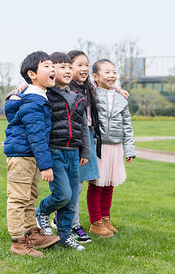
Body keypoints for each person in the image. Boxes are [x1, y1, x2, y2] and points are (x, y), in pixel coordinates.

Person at [51, 50, 130, 243]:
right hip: (70, 140)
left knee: (82, 184)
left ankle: (75, 222)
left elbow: (104, 85)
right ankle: (69, 223)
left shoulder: (87, 87)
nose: (83, 68)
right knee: (76, 186)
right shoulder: (63, 87)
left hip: (87, 138)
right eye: (78, 65)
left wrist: (118, 89)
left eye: (86, 64)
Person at [4, 51, 60, 257]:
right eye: (47, 66)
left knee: (30, 197)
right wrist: (46, 165)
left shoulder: (37, 95)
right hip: (22, 156)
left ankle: (31, 233)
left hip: (30, 156)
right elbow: (36, 135)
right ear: (32, 74)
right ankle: (18, 243)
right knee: (18, 199)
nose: (53, 69)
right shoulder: (33, 102)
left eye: (53, 65)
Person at [36, 51, 91, 251]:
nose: (67, 71)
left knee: (72, 200)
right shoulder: (45, 94)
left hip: (74, 153)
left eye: (69, 67)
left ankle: (64, 236)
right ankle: (42, 211)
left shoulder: (78, 96)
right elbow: (27, 92)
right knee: (63, 195)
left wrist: (85, 151)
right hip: (54, 151)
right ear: (51, 71)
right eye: (61, 67)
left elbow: (83, 126)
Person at [87, 59, 135, 238]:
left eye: (114, 72)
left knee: (109, 184)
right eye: (106, 72)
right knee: (97, 185)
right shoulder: (91, 93)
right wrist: (115, 88)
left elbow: (127, 126)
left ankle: (106, 218)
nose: (112, 75)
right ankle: (96, 222)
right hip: (98, 146)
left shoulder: (121, 99)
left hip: (115, 147)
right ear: (96, 76)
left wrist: (129, 150)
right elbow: (86, 84)